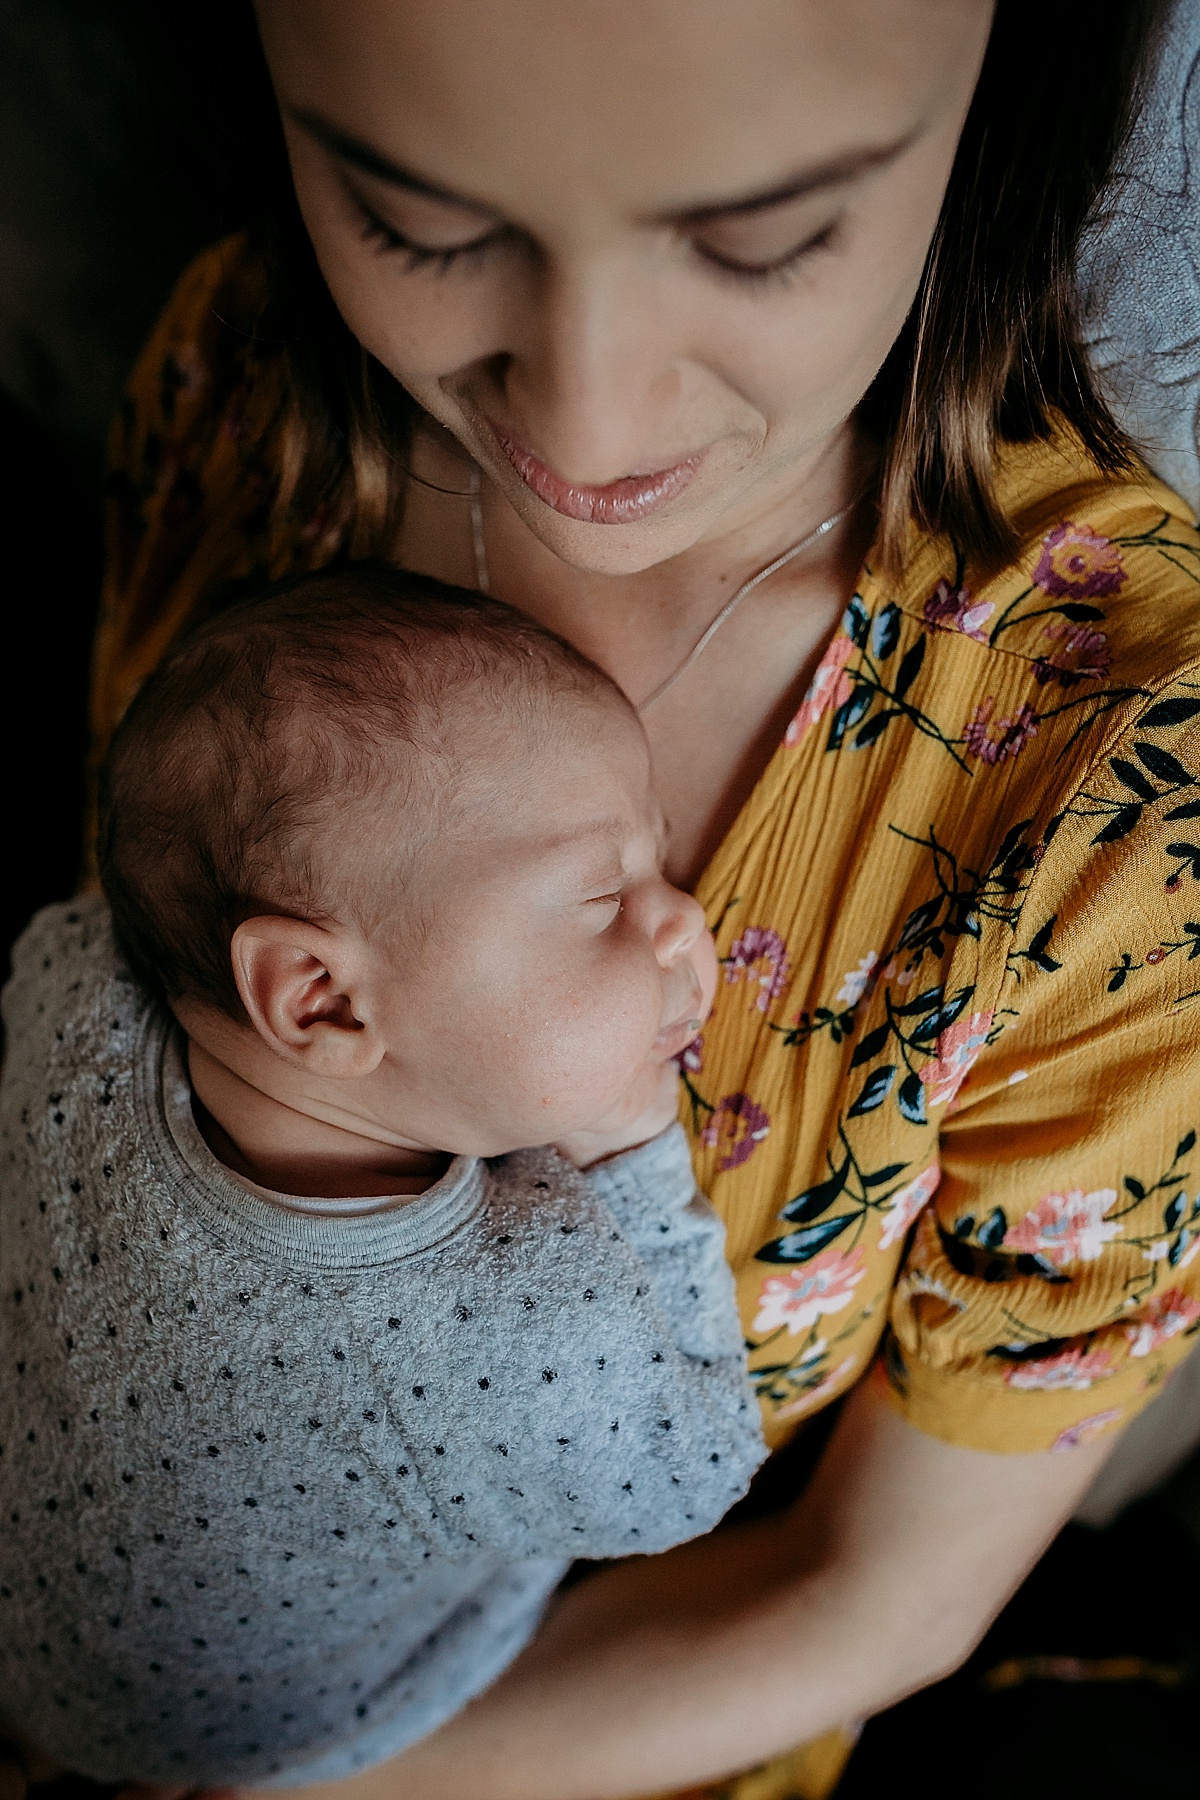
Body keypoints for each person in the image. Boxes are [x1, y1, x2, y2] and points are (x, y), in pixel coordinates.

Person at [82, 1, 1200, 1795]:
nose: (587, 419)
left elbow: (876, 1596)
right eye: (418, 222)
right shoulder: (249, 392)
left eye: (768, 239)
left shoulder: (1128, 793)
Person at [0, 568, 766, 1788]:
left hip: (32, 1615)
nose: (683, 921)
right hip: (265, 1725)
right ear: (318, 999)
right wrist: (632, 1155)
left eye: (658, 864)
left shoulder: (77, 993)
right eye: (602, 894)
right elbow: (698, 1469)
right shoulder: (524, 1335)